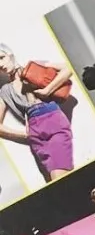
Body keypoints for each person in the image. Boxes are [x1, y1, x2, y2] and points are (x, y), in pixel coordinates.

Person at [0, 43, 75, 182]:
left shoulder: (34, 66)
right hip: (35, 132)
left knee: (59, 174)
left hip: (53, 120)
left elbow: (68, 68)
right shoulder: (5, 91)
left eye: (1, 58)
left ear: (10, 55)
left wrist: (47, 90)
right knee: (51, 180)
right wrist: (25, 135)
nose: (1, 64)